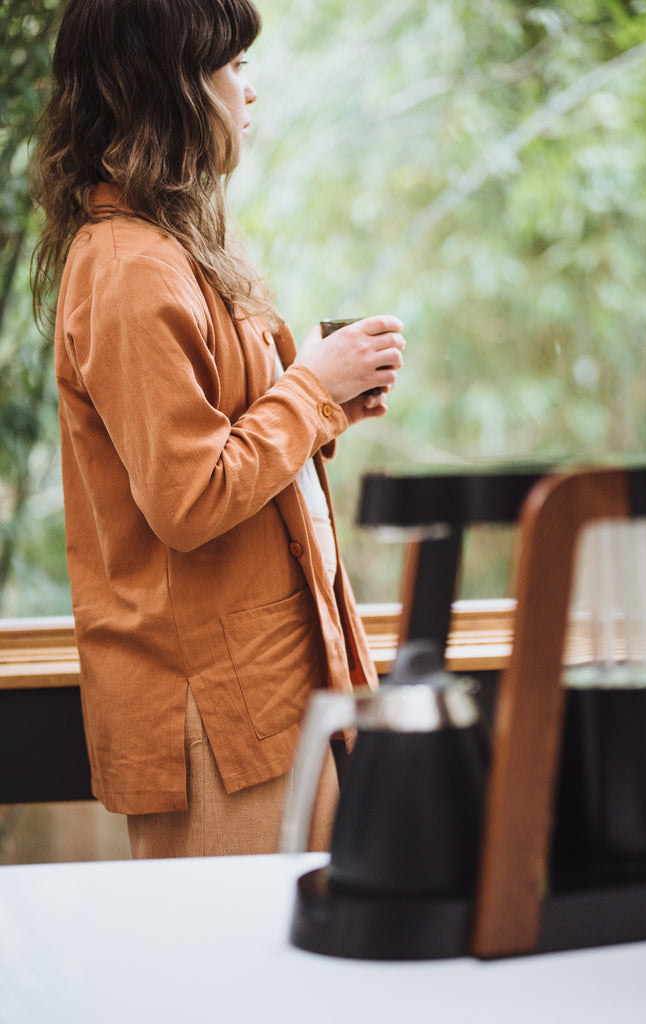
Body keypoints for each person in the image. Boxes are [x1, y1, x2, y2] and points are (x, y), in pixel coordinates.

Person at [31, 0, 405, 858]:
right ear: (171, 89)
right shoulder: (129, 268)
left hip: (274, 683)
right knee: (236, 983)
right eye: (231, 67)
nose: (249, 90)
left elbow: (231, 438)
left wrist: (323, 401)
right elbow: (188, 499)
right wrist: (309, 389)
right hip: (215, 710)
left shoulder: (180, 244)